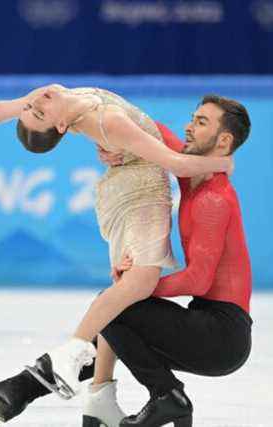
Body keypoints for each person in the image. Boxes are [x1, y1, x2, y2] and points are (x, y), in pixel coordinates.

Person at [0, 85, 232, 427]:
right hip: (139, 195)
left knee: (123, 297)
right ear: (60, 127)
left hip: (129, 185)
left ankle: (99, 396)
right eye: (39, 112)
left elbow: (1, 108)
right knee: (137, 284)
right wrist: (223, 162)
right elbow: (174, 162)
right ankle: (72, 352)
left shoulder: (49, 101)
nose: (37, 100)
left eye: (33, 105)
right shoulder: (103, 121)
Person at [100, 95, 253, 427]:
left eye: (201, 122)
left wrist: (137, 285)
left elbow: (198, 280)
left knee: (114, 306)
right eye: (192, 118)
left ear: (224, 140)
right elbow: (149, 130)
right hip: (206, 322)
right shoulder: (191, 175)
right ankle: (158, 396)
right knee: (113, 311)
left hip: (223, 338)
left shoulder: (214, 199)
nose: (188, 126)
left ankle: (167, 396)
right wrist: (112, 142)